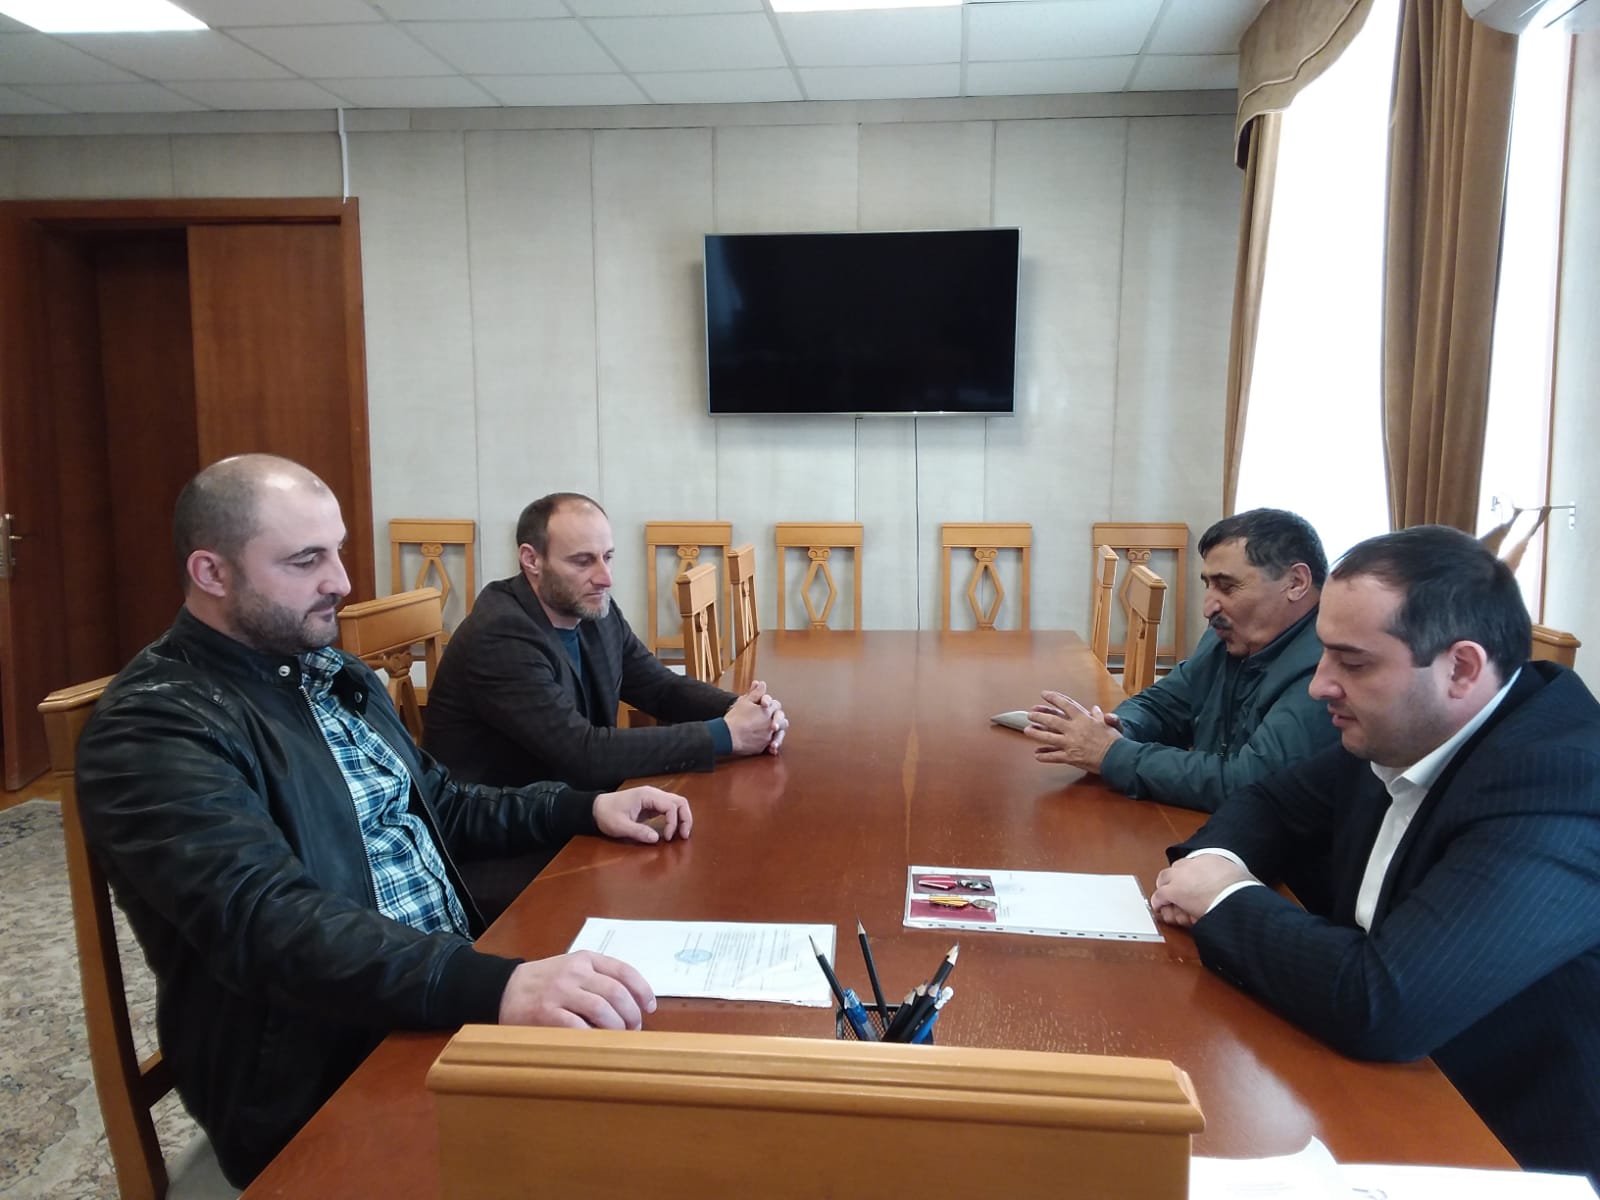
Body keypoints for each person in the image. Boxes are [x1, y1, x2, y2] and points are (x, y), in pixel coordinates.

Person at [74, 455, 694, 1187]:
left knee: (681, 1088)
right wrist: (496, 986)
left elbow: (444, 802)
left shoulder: (329, 674)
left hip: (432, 999)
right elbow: (269, 925)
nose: (341, 580)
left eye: (337, 551)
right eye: (306, 560)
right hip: (321, 1073)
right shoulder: (154, 726)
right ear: (211, 573)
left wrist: (585, 806)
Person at [1150, 525, 1600, 1184]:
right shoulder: (1408, 723)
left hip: (1500, 1147)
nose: (1319, 685)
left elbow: (1383, 1004)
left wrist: (1219, 898)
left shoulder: (1561, 783)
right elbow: (1271, 802)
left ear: (1461, 668)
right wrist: (1207, 864)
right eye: (1323, 654)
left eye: (1352, 663)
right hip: (1384, 1089)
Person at [423, 492, 788, 792]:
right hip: (509, 838)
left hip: (575, 808)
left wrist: (744, 711)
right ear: (531, 560)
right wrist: (725, 734)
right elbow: (583, 753)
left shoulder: (591, 610)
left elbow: (660, 689)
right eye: (583, 561)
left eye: (608, 557)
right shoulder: (501, 635)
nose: (605, 577)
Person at [1024, 508, 1340, 812]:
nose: (1208, 608)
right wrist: (1116, 728)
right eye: (1208, 585)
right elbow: (1163, 704)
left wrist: (1111, 753)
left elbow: (1249, 783)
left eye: (1227, 587)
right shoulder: (1229, 637)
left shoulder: (1329, 669)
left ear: (1296, 583)